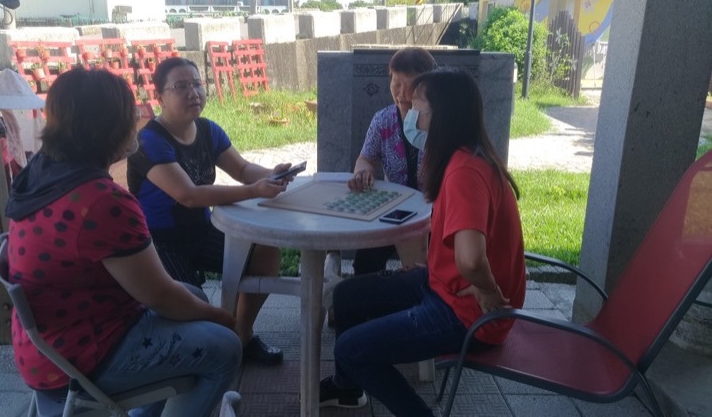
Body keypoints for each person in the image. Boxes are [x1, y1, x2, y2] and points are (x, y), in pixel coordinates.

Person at [5, 68, 242, 417]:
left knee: (193, 295)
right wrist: (222, 318)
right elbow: (160, 297)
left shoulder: (40, 173)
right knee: (225, 347)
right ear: (105, 127)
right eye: (129, 114)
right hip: (78, 357)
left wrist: (200, 310)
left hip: (44, 344)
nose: (137, 121)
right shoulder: (101, 201)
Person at [319, 70, 526, 416]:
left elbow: (472, 260)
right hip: (448, 288)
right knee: (346, 297)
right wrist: (435, 269)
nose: (410, 115)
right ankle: (347, 388)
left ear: (442, 116)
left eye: (417, 107)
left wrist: (488, 290)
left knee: (351, 350)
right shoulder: (465, 158)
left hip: (471, 314)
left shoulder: (464, 172)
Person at [127, 57, 292, 365]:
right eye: (181, 86)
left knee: (265, 251)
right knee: (193, 305)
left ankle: (242, 336)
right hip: (160, 244)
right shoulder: (149, 141)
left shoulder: (207, 130)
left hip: (203, 233)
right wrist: (254, 190)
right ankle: (198, 357)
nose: (193, 93)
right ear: (159, 96)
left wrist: (272, 175)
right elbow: (188, 195)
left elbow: (242, 169)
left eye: (197, 84)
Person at [348, 47, 437, 275]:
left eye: (409, 85)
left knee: (427, 270)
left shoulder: (439, 123)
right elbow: (366, 158)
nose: (401, 93)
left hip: (434, 212)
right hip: (394, 208)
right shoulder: (383, 121)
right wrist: (363, 172)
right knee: (365, 263)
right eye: (395, 84)